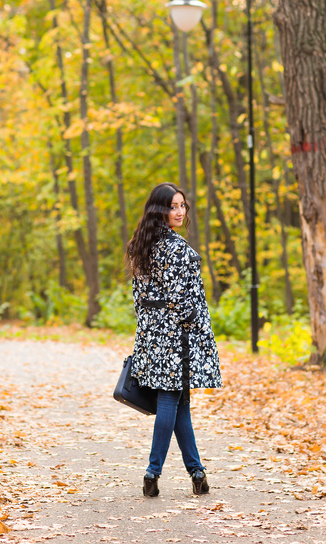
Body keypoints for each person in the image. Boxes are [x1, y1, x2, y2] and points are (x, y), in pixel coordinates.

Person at [125, 182, 222, 498]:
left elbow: (140, 298)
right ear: (159, 210)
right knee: (170, 399)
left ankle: (197, 473)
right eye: (173, 206)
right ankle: (152, 473)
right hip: (177, 337)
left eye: (182, 205)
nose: (179, 211)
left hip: (154, 334)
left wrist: (152, 326)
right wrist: (194, 328)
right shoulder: (177, 249)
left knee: (181, 405)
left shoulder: (141, 246)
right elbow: (183, 302)